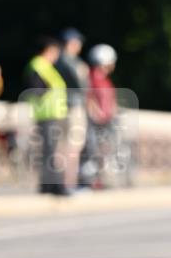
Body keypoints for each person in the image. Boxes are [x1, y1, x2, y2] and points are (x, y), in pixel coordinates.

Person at [23, 36, 69, 195]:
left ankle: (48, 185)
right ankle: (55, 186)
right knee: (51, 152)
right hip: (47, 114)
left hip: (52, 113)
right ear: (48, 50)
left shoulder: (44, 66)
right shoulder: (38, 65)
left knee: (50, 151)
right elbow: (36, 89)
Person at [78, 44, 119, 188]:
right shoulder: (92, 78)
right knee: (93, 151)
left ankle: (99, 180)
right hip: (96, 122)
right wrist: (97, 114)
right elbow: (88, 97)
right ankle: (89, 181)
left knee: (103, 152)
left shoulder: (103, 79)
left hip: (105, 121)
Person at [55, 27, 89, 190]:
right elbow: (82, 85)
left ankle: (61, 183)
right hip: (73, 107)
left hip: (60, 107)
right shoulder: (70, 62)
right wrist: (83, 72)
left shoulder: (56, 60)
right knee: (73, 146)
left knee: (62, 145)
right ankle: (68, 184)